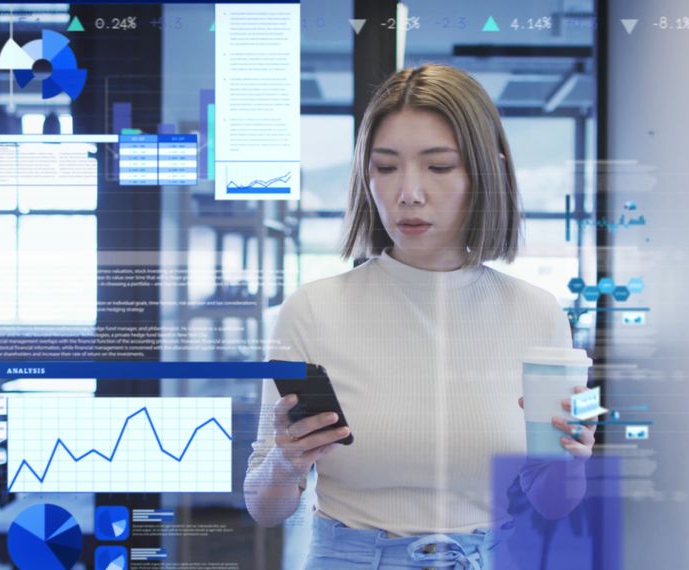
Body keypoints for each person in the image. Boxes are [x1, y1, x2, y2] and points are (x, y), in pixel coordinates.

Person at [244, 63, 595, 569]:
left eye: (438, 166)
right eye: (385, 167)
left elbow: (553, 500)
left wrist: (572, 458)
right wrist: (284, 464)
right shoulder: (311, 310)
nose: (408, 192)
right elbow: (264, 508)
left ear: (486, 171)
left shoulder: (537, 313)